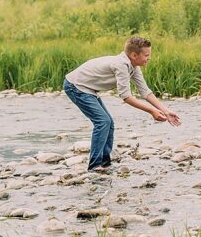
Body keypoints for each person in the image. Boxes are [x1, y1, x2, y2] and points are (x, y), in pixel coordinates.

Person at [63, 36, 181, 172]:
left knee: (109, 123)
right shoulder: (121, 65)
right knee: (103, 122)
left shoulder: (133, 66)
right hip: (75, 86)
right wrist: (151, 111)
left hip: (88, 88)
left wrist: (165, 110)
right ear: (134, 55)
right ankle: (94, 166)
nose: (149, 58)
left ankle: (105, 163)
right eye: (146, 55)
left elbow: (145, 91)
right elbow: (126, 97)